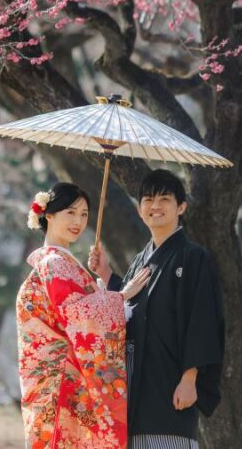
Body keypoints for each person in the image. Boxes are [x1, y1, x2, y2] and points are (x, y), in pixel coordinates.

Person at [90, 169, 225, 449]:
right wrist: (106, 275)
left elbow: (203, 321)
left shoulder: (193, 257)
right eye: (148, 199)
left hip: (170, 381)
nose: (155, 206)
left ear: (182, 207)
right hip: (136, 381)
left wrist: (190, 378)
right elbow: (129, 306)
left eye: (165, 199)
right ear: (140, 210)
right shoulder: (141, 259)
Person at [16, 182, 150, 449]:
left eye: (84, 214)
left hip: (58, 382)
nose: (78, 221)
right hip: (61, 384)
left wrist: (101, 280)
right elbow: (78, 315)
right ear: (49, 215)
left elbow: (76, 309)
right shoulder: (54, 263)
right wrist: (122, 296)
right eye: (70, 212)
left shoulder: (61, 262)